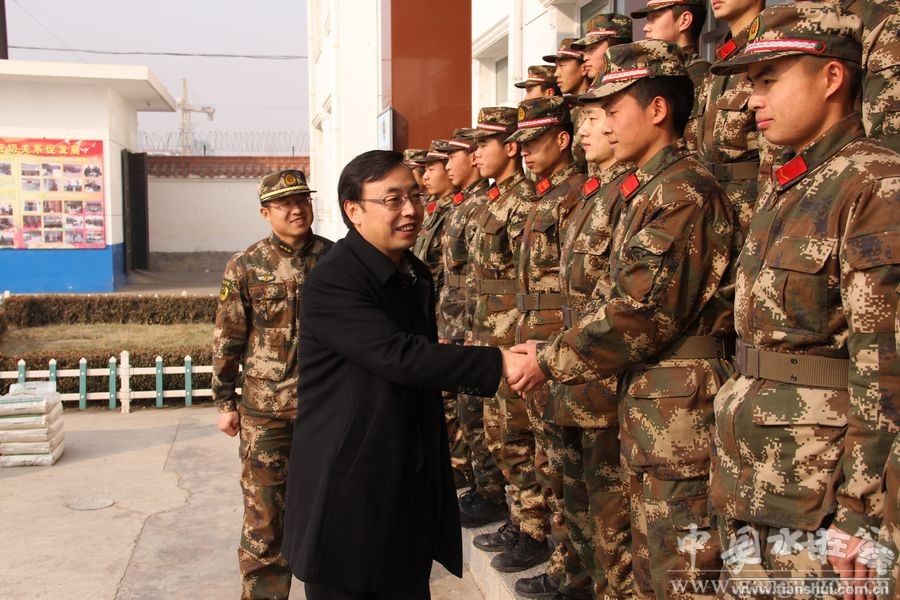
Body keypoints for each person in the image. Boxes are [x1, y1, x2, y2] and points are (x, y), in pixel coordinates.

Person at [511, 40, 734, 598]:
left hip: (678, 413)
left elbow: (638, 313)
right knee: (639, 562)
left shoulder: (683, 191)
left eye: (613, 110)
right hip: (652, 404)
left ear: (657, 110)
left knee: (676, 574)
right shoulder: (648, 189)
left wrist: (549, 359)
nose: (605, 125)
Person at [705, 3, 900, 596]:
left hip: (821, 496)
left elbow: (885, 365)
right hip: (757, 477)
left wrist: (863, 510)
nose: (752, 101)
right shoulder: (790, 184)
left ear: (832, 77)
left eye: (768, 81)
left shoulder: (873, 184)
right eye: (750, 85)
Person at [281, 150, 526, 599]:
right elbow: (399, 356)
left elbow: (414, 356)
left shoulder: (410, 272)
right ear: (354, 210)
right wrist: (499, 362)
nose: (410, 210)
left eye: (414, 196)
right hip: (352, 486)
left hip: (405, 473)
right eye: (392, 200)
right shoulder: (335, 279)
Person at [212, 169, 333, 600]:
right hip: (266, 412)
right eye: (285, 204)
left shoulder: (336, 259)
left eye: (302, 200)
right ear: (266, 213)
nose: (297, 209)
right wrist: (225, 401)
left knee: (329, 512)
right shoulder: (246, 265)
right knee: (264, 515)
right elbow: (228, 335)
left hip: (326, 407)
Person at [505, 95, 592, 597]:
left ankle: (571, 571)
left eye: (534, 141)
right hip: (534, 334)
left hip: (558, 340)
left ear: (562, 140)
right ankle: (564, 565)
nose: (524, 151)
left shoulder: (577, 194)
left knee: (565, 467)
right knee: (548, 461)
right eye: (520, 143)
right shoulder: (544, 196)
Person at [466, 106, 538, 552]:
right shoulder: (495, 200)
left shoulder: (524, 200)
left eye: (483, 145)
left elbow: (528, 279)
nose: (475, 154)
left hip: (510, 331)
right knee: (496, 432)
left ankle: (533, 527)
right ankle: (519, 517)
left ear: (510, 148)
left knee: (515, 434)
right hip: (487, 328)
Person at [441, 127, 503, 521]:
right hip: (459, 321)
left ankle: (490, 491)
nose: (447, 166)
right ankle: (478, 482)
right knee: (466, 409)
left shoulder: (484, 204)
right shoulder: (464, 204)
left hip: (478, 323)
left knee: (482, 414)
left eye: (453, 156)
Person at [630, 0, 709, 151]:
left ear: (684, 21)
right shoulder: (656, 73)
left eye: (655, 17)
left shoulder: (697, 75)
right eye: (648, 19)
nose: (646, 27)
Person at [414, 140, 456, 306]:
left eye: (431, 169)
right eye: (425, 170)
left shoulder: (455, 210)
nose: (425, 176)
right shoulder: (435, 209)